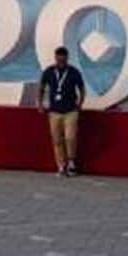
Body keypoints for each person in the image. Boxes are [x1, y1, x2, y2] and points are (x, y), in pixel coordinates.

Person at [38, 46, 86, 177]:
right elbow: (41, 87)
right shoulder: (49, 71)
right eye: (59, 59)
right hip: (54, 112)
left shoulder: (74, 72)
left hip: (71, 111)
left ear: (67, 58)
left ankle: (71, 163)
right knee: (57, 140)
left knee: (70, 138)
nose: (61, 62)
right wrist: (40, 104)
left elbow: (82, 89)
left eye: (63, 59)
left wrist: (80, 104)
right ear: (55, 58)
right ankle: (61, 165)